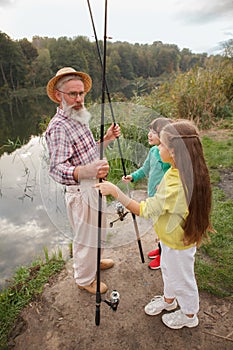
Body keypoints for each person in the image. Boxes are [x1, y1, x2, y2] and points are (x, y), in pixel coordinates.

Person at [96, 120, 212, 329]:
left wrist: (115, 192)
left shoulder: (177, 183)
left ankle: (189, 314)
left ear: (174, 151)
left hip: (179, 244)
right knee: (168, 271)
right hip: (169, 239)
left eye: (162, 144)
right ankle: (169, 301)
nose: (158, 147)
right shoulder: (176, 171)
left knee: (183, 281)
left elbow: (144, 209)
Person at [45, 67, 121, 295]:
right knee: (85, 237)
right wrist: (87, 171)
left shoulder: (78, 117)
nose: (79, 98)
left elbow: (87, 153)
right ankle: (84, 279)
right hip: (81, 192)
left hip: (95, 187)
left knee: (97, 230)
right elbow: (56, 169)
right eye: (72, 94)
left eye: (81, 93)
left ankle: (94, 262)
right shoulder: (58, 127)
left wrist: (106, 140)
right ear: (59, 95)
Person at [122, 117, 172, 270]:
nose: (150, 134)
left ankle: (165, 255)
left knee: (164, 226)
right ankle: (160, 247)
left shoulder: (168, 155)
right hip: (152, 196)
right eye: (150, 131)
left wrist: (164, 186)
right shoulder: (152, 151)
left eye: (154, 132)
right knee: (157, 225)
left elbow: (173, 172)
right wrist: (133, 176)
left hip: (163, 198)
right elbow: (145, 169)